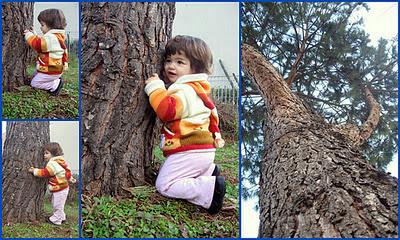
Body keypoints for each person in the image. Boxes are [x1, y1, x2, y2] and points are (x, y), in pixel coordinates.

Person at [145, 35, 226, 214]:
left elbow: (167, 110)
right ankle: (207, 172)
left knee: (164, 185)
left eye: (180, 62)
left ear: (195, 67)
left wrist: (155, 88)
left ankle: (208, 190)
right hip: (201, 150)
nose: (171, 66)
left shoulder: (185, 90)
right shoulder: (196, 88)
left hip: (190, 150)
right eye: (168, 60)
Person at [23, 9, 68, 96]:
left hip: (51, 70)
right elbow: (44, 43)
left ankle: (55, 85)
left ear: (51, 26)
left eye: (42, 25)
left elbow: (39, 45)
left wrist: (29, 35)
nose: (41, 27)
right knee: (35, 75)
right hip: (53, 68)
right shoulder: (56, 36)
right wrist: (35, 35)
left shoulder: (51, 37)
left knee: (34, 83)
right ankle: (55, 80)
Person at [28, 142, 76, 225]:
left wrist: (34, 171)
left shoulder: (52, 163)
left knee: (57, 204)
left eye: (47, 153)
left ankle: (56, 220)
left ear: (54, 154)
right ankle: (62, 217)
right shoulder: (61, 161)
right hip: (63, 187)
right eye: (44, 153)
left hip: (60, 188)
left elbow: (46, 173)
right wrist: (70, 178)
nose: (44, 155)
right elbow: (66, 171)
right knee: (59, 203)